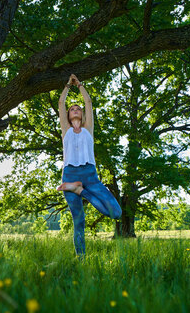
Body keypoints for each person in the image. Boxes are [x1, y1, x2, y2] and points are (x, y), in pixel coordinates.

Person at [56, 74, 122, 258]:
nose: (75, 109)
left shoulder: (88, 129)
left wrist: (80, 85)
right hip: (70, 175)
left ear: (82, 114)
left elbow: (89, 102)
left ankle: (80, 191)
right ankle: (81, 259)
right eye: (72, 109)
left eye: (78, 108)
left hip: (90, 177)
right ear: (68, 116)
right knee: (79, 221)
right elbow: (61, 103)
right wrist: (68, 85)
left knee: (116, 212)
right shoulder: (66, 130)